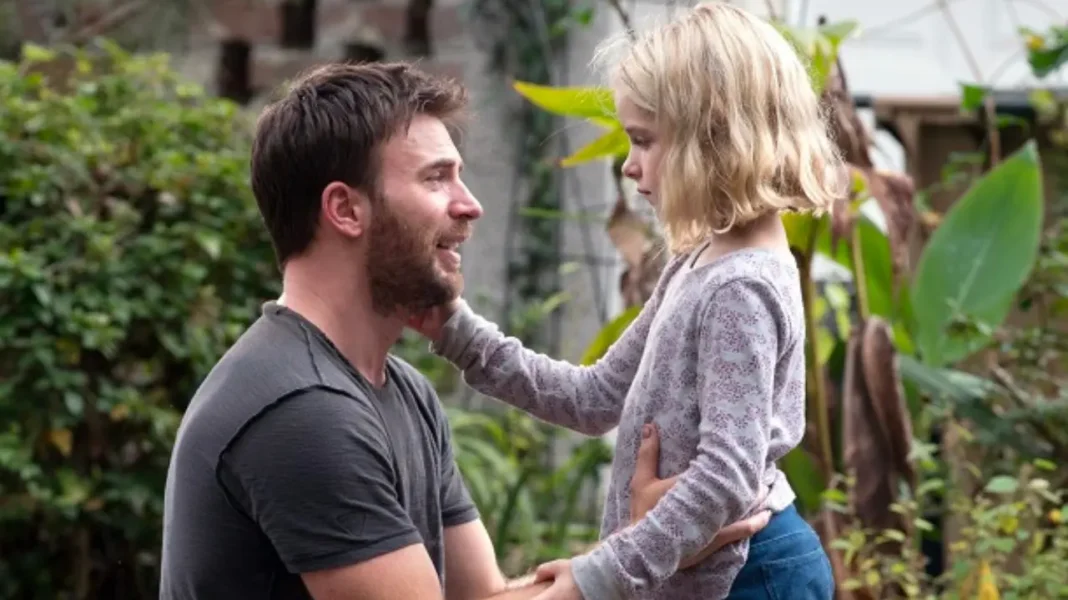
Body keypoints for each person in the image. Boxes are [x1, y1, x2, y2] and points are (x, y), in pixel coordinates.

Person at [159, 61, 768, 600]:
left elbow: (482, 596)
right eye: (435, 178)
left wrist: (645, 548)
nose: (470, 203)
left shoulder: (400, 391)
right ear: (345, 209)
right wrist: (645, 552)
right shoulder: (303, 411)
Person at [408, 3, 846, 599]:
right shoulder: (700, 262)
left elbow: (726, 476)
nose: (629, 165)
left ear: (714, 138)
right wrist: (456, 332)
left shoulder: (740, 288)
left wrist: (598, 577)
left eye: (643, 141)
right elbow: (594, 398)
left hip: (753, 576)